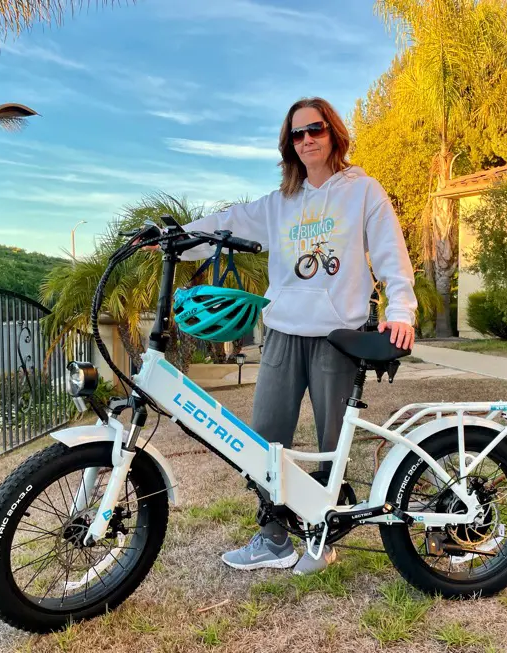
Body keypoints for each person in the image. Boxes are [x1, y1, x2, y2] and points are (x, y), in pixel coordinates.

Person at [170, 97, 417, 575]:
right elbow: (228, 223)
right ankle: (273, 536)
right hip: (282, 332)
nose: (307, 140)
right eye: (297, 135)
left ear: (333, 134)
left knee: (330, 442)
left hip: (337, 334)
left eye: (315, 130)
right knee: (264, 441)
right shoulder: (280, 202)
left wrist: (401, 309)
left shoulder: (362, 191)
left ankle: (323, 538)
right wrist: (173, 238)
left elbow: (391, 253)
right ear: (289, 145)